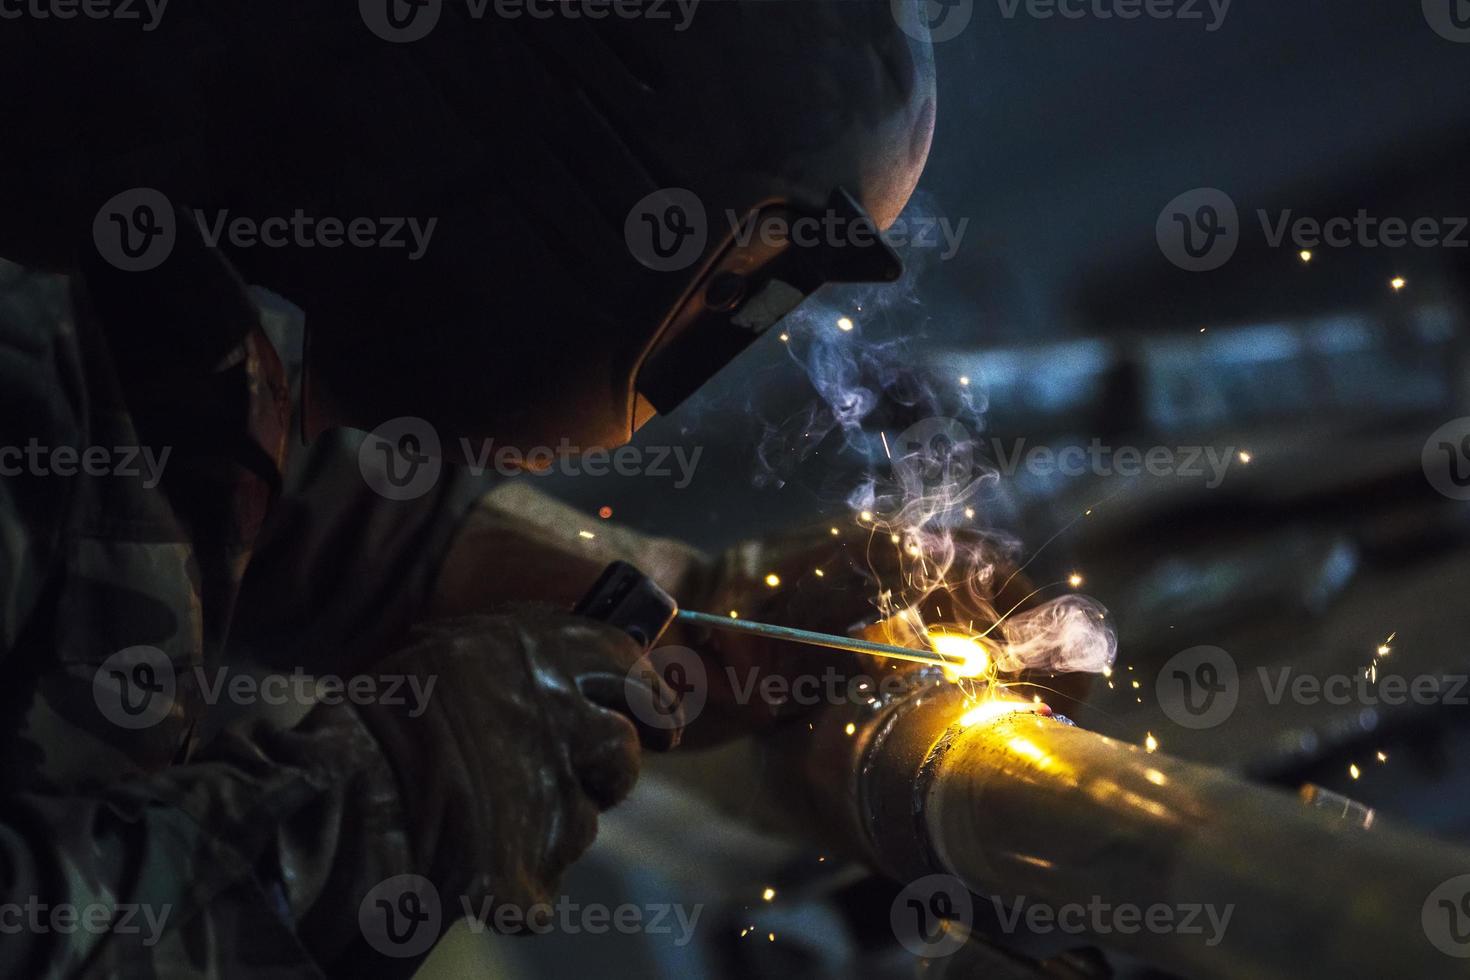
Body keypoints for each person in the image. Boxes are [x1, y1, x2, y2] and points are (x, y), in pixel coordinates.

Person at [0, 3, 936, 975]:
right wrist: (386, 805)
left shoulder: (111, 233)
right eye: (728, 288)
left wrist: (687, 605)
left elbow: (178, 460)